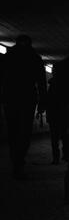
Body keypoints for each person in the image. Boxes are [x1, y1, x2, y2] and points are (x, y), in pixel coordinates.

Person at [0, 35, 47, 179]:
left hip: (10, 97)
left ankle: (15, 159)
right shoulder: (34, 58)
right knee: (25, 131)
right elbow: (41, 82)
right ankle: (19, 161)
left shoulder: (8, 57)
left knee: (13, 130)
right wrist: (42, 102)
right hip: (28, 98)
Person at [46, 77, 65, 165]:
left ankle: (56, 158)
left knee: (54, 139)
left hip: (53, 117)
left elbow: (48, 104)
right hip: (62, 117)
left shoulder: (51, 91)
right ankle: (65, 156)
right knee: (65, 137)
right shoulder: (64, 90)